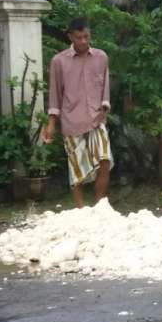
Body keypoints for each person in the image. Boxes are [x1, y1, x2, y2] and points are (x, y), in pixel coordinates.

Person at [44, 17, 113, 208]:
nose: (83, 41)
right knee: (77, 169)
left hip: (96, 118)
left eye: (86, 37)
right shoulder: (59, 61)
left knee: (105, 160)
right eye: (79, 37)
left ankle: (99, 206)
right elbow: (55, 94)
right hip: (71, 121)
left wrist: (105, 107)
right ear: (70, 37)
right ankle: (81, 209)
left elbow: (105, 86)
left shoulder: (101, 57)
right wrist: (51, 123)